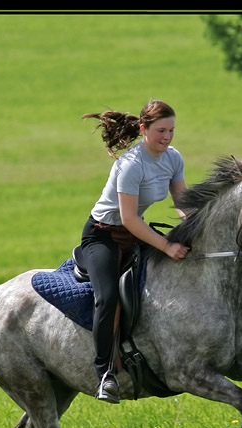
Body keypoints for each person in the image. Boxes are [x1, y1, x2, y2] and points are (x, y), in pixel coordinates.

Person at [81, 100, 189, 404]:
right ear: (143, 129)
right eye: (161, 131)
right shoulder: (131, 164)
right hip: (103, 236)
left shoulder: (173, 159)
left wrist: (195, 226)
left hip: (135, 235)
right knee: (108, 297)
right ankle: (105, 374)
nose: (167, 137)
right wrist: (167, 245)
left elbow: (181, 202)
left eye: (171, 130)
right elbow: (129, 219)